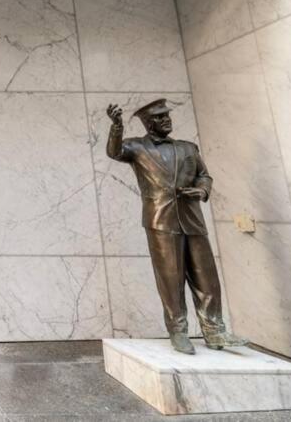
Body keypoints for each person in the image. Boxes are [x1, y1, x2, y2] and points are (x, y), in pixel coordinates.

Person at [106, 98, 248, 355]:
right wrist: (117, 127)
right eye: (160, 118)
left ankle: (215, 330)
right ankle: (178, 331)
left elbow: (204, 175)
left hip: (192, 218)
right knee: (171, 279)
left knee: (207, 278)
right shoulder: (137, 147)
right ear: (149, 124)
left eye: (167, 116)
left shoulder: (188, 148)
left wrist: (202, 190)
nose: (166, 120)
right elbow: (115, 152)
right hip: (161, 220)